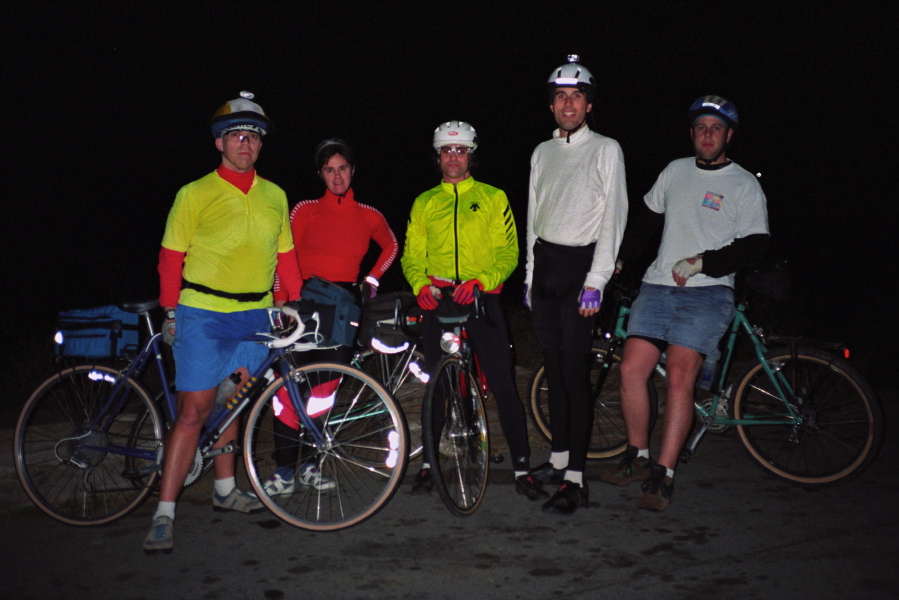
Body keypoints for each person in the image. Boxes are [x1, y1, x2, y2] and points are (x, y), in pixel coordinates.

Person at [143, 92, 302, 553]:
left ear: (260, 144)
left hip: (254, 313)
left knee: (235, 401)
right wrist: (171, 311)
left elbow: (286, 256)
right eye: (235, 136)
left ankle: (225, 490)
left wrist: (294, 301)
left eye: (252, 136)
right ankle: (164, 512)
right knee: (194, 411)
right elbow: (171, 256)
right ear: (219, 144)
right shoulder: (194, 193)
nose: (244, 144)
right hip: (204, 313)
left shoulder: (275, 195)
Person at [604, 95, 769, 511]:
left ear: (729, 135)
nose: (707, 134)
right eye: (700, 127)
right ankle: (637, 456)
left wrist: (703, 263)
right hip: (658, 285)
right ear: (692, 134)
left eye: (716, 128)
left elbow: (757, 244)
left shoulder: (744, 183)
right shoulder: (675, 171)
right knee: (631, 368)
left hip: (710, 292)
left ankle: (664, 476)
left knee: (679, 377)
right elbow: (645, 219)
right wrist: (620, 261)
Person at [402, 120, 546, 501]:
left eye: (461, 150)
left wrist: (482, 280)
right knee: (436, 387)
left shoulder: (493, 197)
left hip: (483, 299)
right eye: (447, 151)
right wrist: (420, 285)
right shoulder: (424, 202)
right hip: (440, 299)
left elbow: (509, 252)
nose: (454, 157)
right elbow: (412, 255)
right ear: (438, 158)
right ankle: (430, 465)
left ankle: (521, 467)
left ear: (471, 155)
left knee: (502, 385)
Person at [265, 138, 399, 496]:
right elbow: (284, 255)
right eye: (329, 169)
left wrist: (371, 279)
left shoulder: (368, 214)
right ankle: (283, 472)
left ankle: (310, 465)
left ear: (352, 170)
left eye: (342, 168)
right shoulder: (305, 209)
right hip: (303, 304)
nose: (337, 176)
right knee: (289, 391)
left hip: (343, 309)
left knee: (324, 391)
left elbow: (391, 246)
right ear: (321, 174)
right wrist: (281, 303)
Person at [525, 55, 629, 514]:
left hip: (581, 269)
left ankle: (576, 481)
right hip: (545, 265)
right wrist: (529, 277)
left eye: (577, 96)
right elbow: (533, 216)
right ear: (552, 106)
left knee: (573, 375)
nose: (569, 104)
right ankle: (560, 459)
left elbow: (615, 216)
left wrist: (597, 280)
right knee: (553, 372)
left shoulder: (607, 149)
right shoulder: (541, 152)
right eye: (561, 97)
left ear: (589, 105)